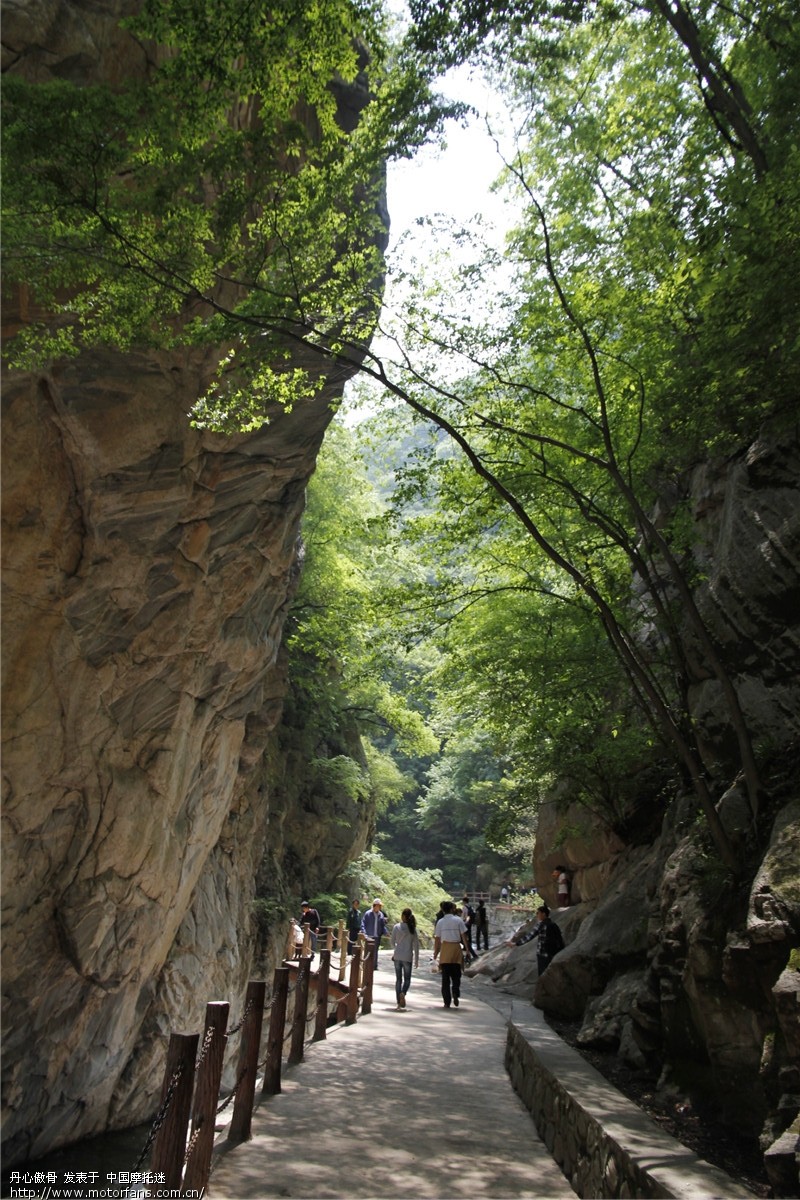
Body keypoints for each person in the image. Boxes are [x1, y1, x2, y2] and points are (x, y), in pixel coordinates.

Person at [505, 906, 564, 976]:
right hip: (553, 953)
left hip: (543, 953)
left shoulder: (541, 925)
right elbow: (560, 938)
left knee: (542, 974)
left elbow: (529, 936)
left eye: (538, 913)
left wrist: (515, 944)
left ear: (544, 914)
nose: (537, 915)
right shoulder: (554, 925)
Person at [433, 901, 470, 1008]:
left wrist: (436, 953)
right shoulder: (458, 920)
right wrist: (467, 950)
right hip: (456, 949)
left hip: (445, 949)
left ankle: (447, 1001)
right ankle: (455, 991)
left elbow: (437, 939)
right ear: (452, 909)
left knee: (445, 977)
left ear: (443, 910)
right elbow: (464, 936)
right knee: (456, 974)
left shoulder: (440, 922)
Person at [390, 908, 420, 1010]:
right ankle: (403, 993)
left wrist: (396, 949)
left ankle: (398, 1002)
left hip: (397, 956)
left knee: (398, 979)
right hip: (408, 957)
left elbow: (392, 941)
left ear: (403, 916)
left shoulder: (396, 927)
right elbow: (416, 946)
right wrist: (416, 960)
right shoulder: (412, 929)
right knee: (407, 979)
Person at [361, 897, 389, 968]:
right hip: (369, 936)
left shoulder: (381, 915)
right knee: (368, 951)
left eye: (380, 906)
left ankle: (374, 965)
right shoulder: (368, 913)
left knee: (375, 951)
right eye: (378, 905)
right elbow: (363, 924)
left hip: (377, 936)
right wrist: (364, 933)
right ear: (374, 905)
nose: (380, 907)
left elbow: (382, 926)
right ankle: (366, 965)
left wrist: (386, 932)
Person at [461, 895, 477, 961]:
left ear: (464, 901)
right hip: (470, 923)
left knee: (465, 935)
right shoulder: (470, 907)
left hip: (465, 923)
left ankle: (466, 947)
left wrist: (462, 921)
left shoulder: (464, 907)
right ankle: (469, 944)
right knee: (469, 935)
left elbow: (464, 916)